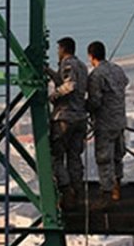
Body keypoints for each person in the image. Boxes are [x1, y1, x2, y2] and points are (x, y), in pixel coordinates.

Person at [46, 36, 88, 206]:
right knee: (74, 156)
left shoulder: (68, 64)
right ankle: (77, 189)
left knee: (56, 156)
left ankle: (66, 189)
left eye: (58, 50)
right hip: (80, 117)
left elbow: (69, 85)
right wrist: (49, 72)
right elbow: (66, 81)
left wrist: (53, 96)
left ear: (63, 50)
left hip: (65, 117)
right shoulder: (83, 66)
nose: (57, 53)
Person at [86, 40, 129, 203]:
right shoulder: (117, 69)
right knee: (118, 155)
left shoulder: (96, 75)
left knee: (104, 159)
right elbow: (125, 82)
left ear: (91, 56)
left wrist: (84, 106)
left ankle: (107, 192)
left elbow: (95, 102)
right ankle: (117, 184)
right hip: (119, 120)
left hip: (105, 123)